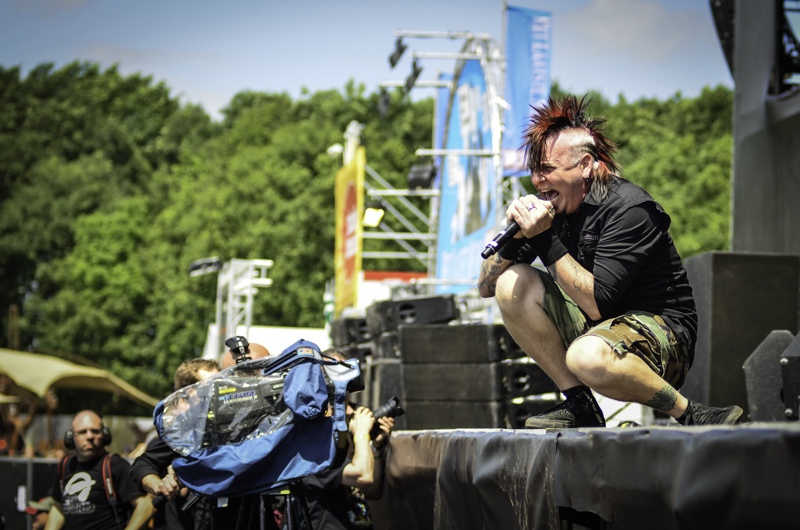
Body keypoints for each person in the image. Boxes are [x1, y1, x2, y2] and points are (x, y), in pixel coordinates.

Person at [477, 94, 743, 429]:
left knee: (585, 356)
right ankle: (580, 405)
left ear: (585, 165)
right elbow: (485, 287)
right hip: (600, 331)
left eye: (547, 170)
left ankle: (690, 413)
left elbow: (597, 304)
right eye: (534, 171)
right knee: (510, 284)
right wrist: (516, 239)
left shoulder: (628, 208)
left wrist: (543, 238)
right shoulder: (554, 208)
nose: (538, 181)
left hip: (663, 337)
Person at [291, 349, 395, 530]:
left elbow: (372, 491)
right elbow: (363, 476)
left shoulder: (342, 439)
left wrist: (376, 448)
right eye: (339, 402)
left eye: (347, 400)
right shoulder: (310, 448)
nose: (349, 411)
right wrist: (361, 434)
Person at [131, 358, 221, 530]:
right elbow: (142, 465)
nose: (217, 392)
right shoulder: (181, 434)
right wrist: (160, 485)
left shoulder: (235, 425)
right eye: (208, 387)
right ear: (184, 398)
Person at [45, 410, 153, 530]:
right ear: (71, 437)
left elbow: (146, 505)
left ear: (105, 435)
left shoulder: (115, 465)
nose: (90, 436)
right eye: (82, 432)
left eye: (95, 431)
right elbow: (58, 507)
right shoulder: (64, 466)